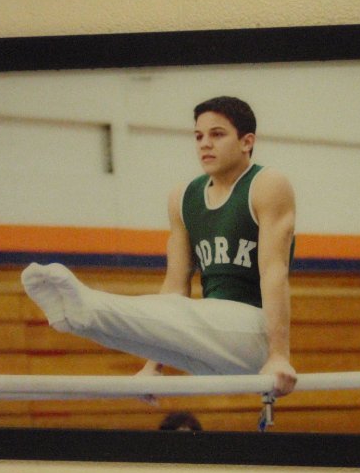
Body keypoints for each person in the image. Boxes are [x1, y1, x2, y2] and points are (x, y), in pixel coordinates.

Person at [21, 96, 297, 398]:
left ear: (247, 142)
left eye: (217, 134)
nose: (205, 144)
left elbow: (274, 272)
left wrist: (279, 355)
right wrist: (154, 367)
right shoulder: (183, 198)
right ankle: (75, 318)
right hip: (206, 346)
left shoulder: (267, 184)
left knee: (188, 314)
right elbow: (175, 289)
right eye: (198, 136)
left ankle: (87, 306)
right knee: (148, 322)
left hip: (255, 336)